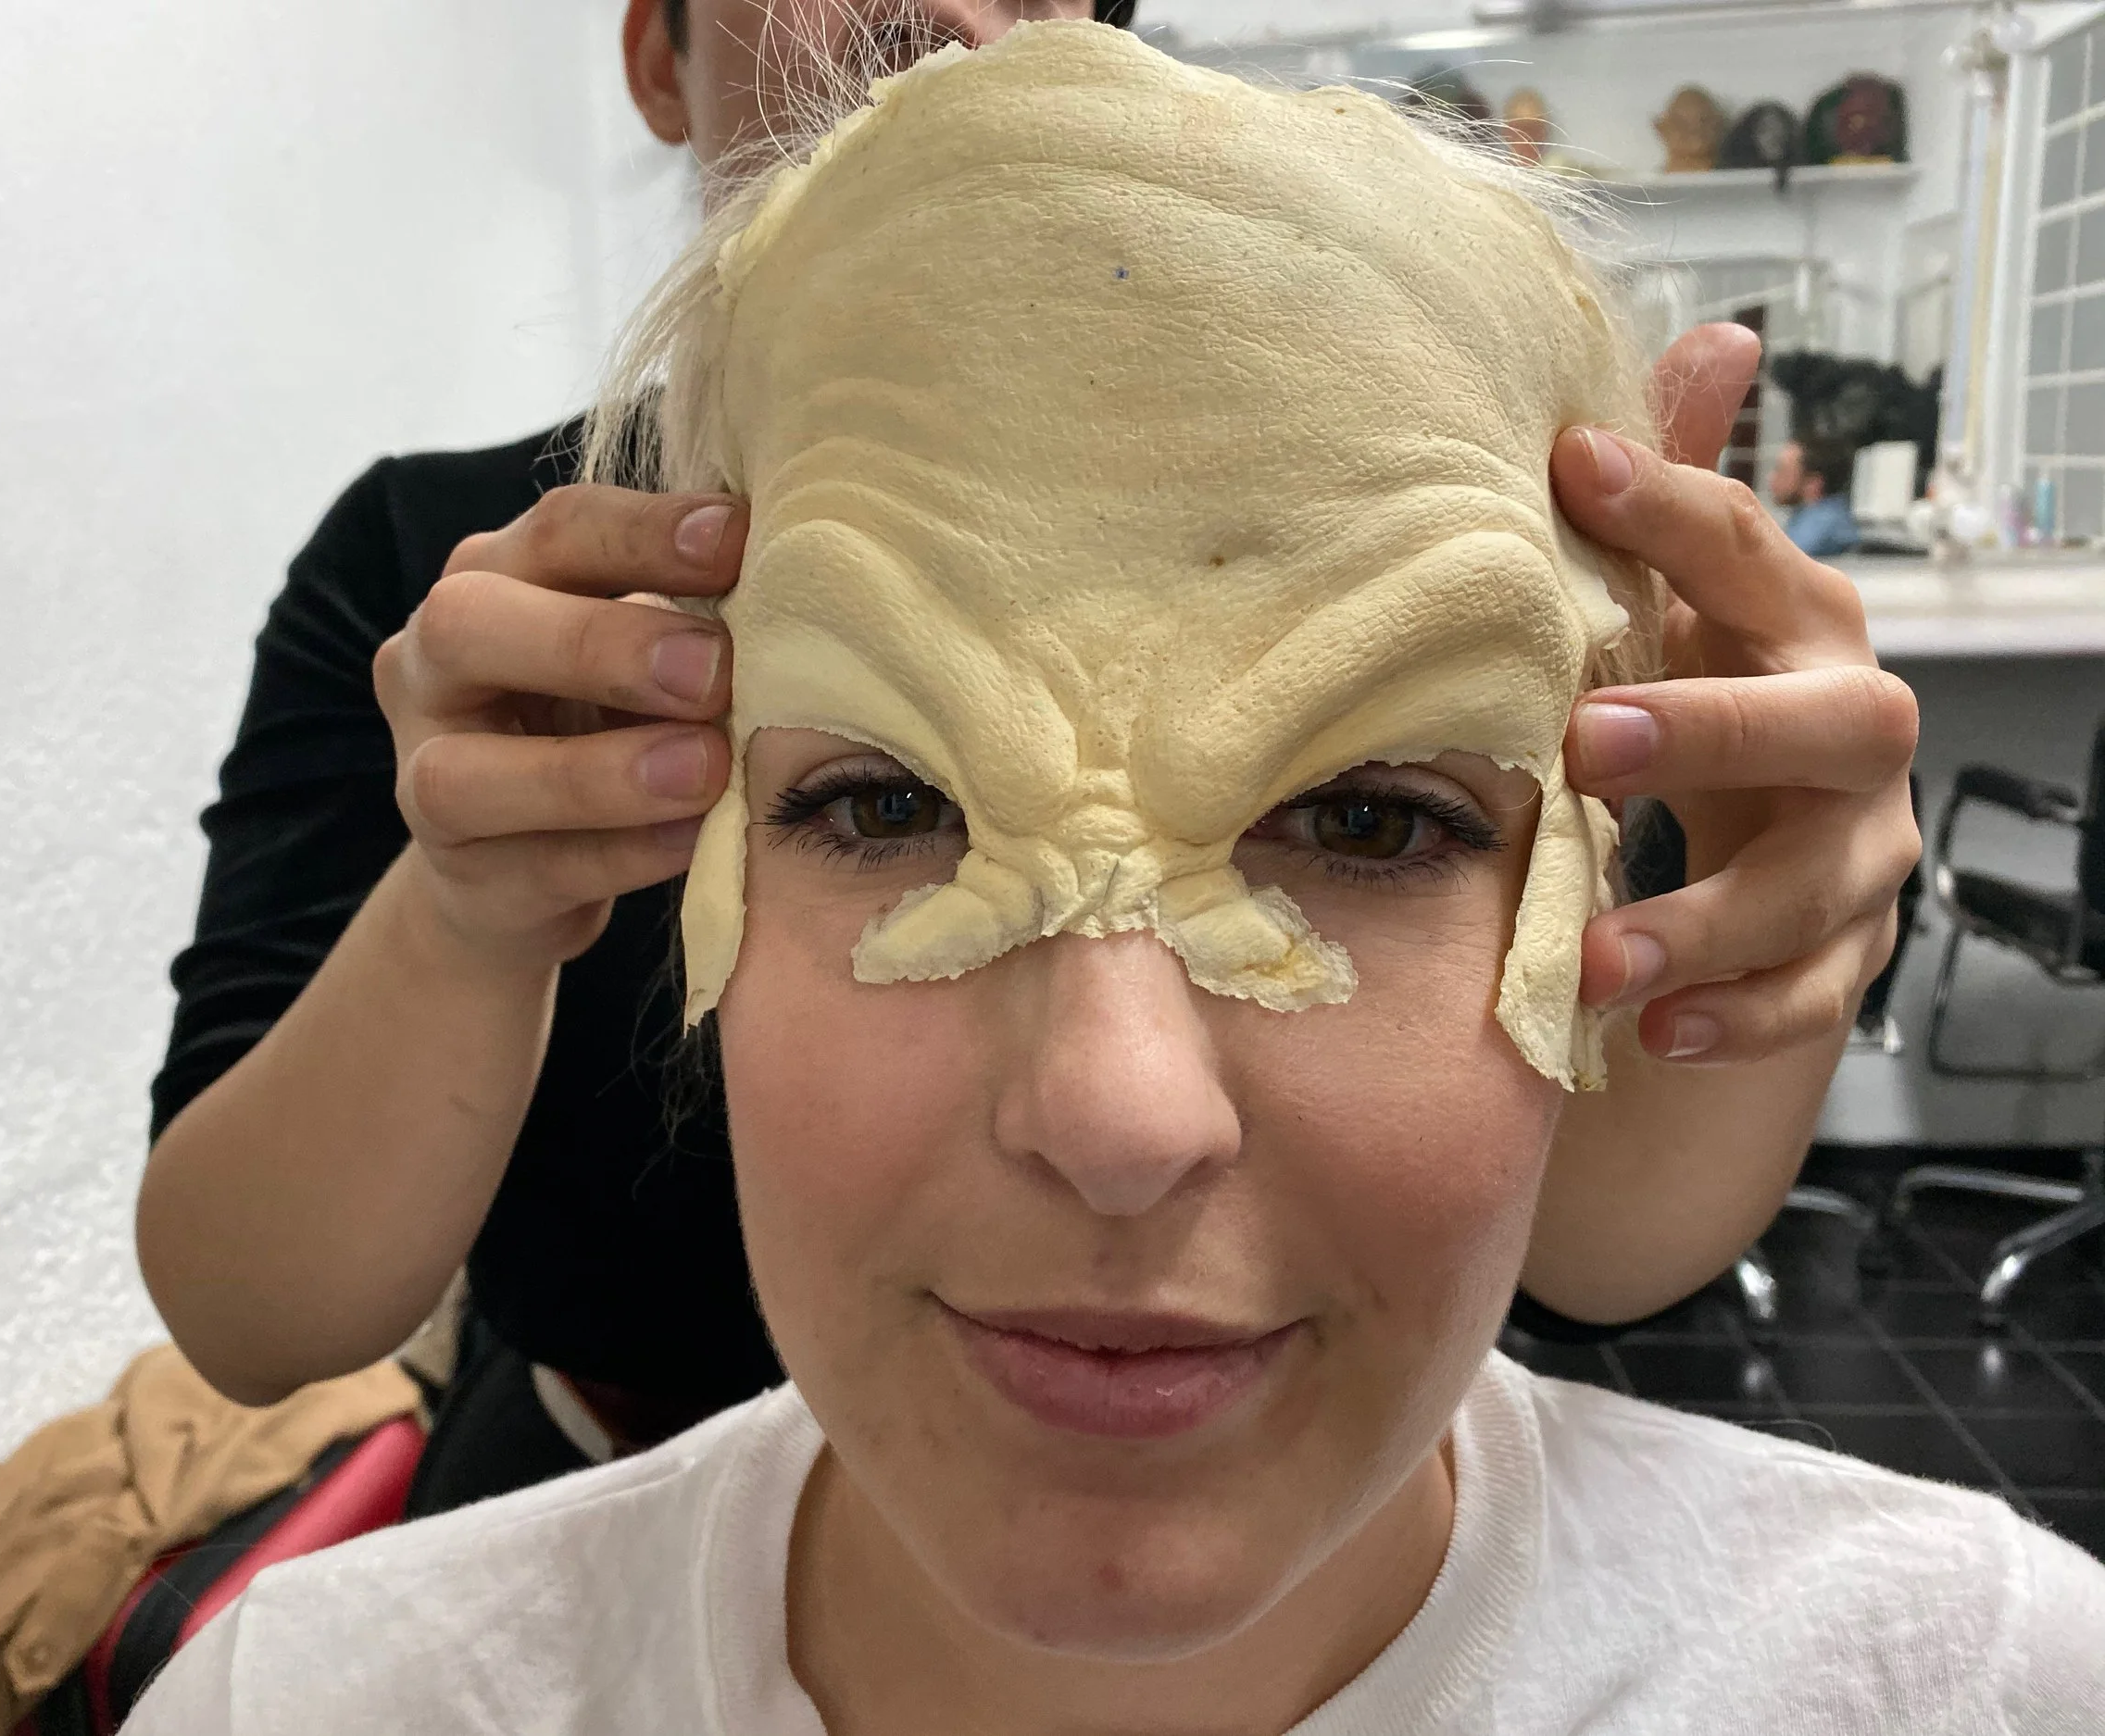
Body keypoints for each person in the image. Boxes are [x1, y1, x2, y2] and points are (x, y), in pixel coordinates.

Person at [123, 32, 2099, 1730]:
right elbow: (254, 1292)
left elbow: (1601, 1235)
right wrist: (465, 908)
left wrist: (1743, 947)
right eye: (884, 800)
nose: (1116, 1111)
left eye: (1368, 819)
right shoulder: (319, 1691)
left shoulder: (1968, 1675)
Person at [1769, 436, 1861, 556]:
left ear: (1813, 483)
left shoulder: (1823, 523)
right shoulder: (1809, 516)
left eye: (1782, 471)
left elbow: (1778, 560)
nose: (1771, 478)